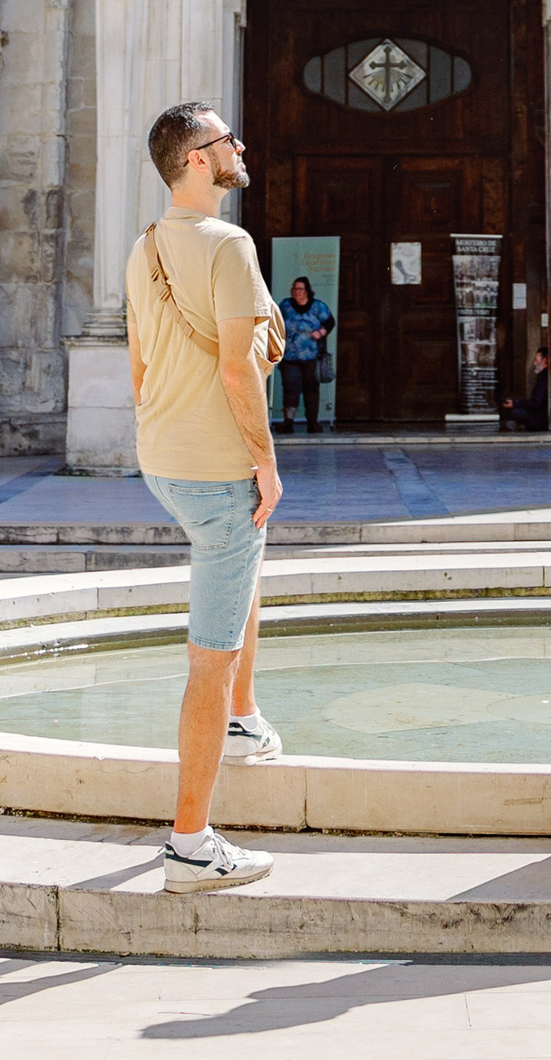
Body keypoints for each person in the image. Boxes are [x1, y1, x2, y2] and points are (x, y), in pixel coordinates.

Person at [126, 102, 290, 892]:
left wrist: (164, 429)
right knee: (208, 656)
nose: (240, 145)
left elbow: (138, 364)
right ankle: (190, 842)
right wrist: (264, 460)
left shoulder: (145, 246)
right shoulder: (229, 244)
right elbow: (237, 369)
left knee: (241, 563)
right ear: (197, 158)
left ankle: (244, 717)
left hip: (162, 456)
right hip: (218, 465)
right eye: (229, 139)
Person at [274, 276, 334, 435]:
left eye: (300, 289)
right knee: (290, 389)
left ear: (307, 291)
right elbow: (276, 321)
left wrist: (321, 332)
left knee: (311, 389)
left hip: (311, 356)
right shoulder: (286, 306)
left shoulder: (318, 307)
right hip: (290, 357)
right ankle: (288, 422)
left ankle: (312, 423)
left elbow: (330, 322)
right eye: (294, 289)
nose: (296, 292)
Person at [500, 346, 551, 431]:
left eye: (536, 360)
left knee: (516, 413)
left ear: (545, 361)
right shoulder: (543, 377)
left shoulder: (544, 379)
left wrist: (515, 404)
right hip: (539, 415)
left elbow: (536, 403)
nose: (534, 363)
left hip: (540, 418)